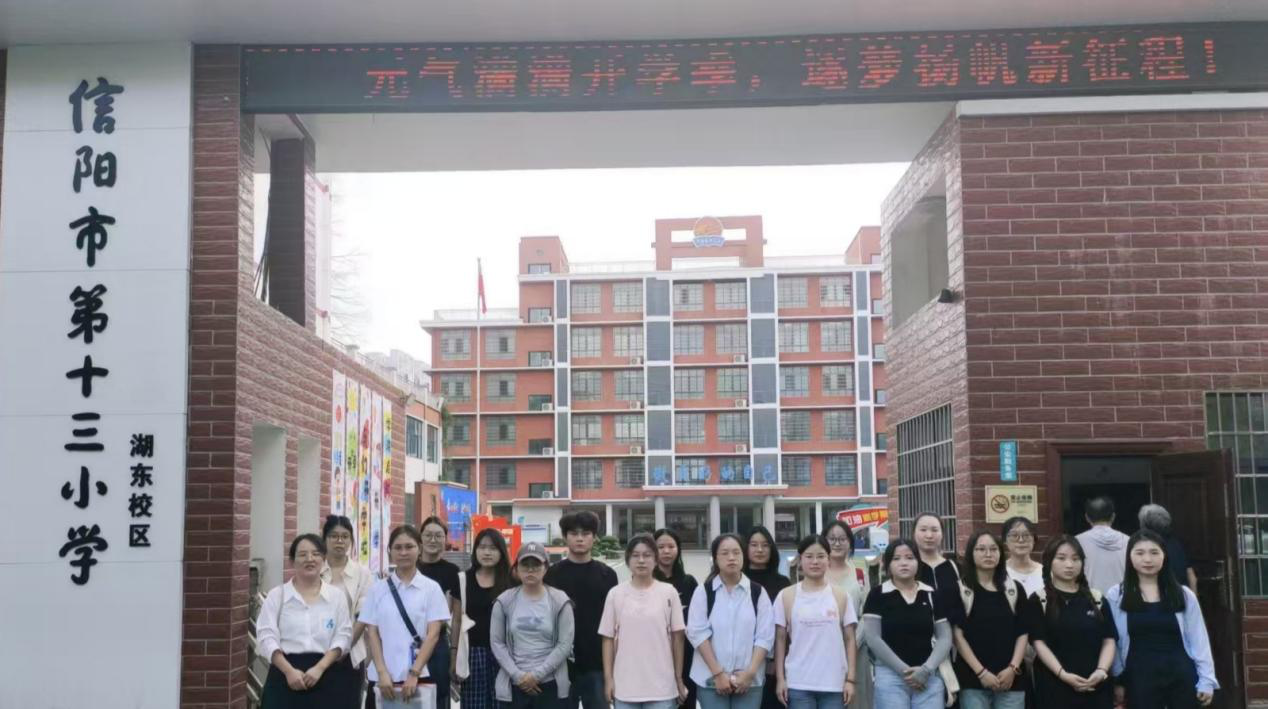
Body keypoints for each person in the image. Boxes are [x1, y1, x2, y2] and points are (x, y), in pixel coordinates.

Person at [1107, 530, 1217, 709]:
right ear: (1129, 557)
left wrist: (1207, 680)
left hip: (1180, 674)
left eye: (1154, 552)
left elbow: (1199, 639)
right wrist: (1118, 679)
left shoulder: (1184, 594)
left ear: (1164, 555)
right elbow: (1113, 641)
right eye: (1140, 553)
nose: (1147, 559)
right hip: (1139, 677)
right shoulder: (1117, 595)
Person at [256, 533, 354, 707]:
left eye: (316, 554)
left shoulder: (336, 597)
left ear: (324, 559)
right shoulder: (277, 596)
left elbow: (343, 636)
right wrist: (288, 671)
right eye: (302, 554)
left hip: (326, 674)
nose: (310, 559)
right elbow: (266, 636)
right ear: (292, 561)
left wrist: (320, 668)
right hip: (284, 676)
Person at [362, 525, 453, 708]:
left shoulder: (431, 588)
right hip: (383, 678)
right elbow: (372, 633)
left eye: (409, 546)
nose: (403, 552)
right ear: (390, 551)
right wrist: (382, 672)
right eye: (398, 547)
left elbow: (433, 634)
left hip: (420, 676)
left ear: (419, 549)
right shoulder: (377, 589)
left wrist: (414, 674)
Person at [1024, 535, 1116, 709]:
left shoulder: (1096, 599)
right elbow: (1038, 643)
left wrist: (1101, 671)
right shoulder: (1039, 600)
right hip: (1054, 685)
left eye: (1075, 559)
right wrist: (1063, 675)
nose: (1069, 564)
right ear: (1049, 561)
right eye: (1061, 558)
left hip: (1095, 685)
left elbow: (1109, 639)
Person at [599, 534, 688, 709]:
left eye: (647, 555)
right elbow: (607, 639)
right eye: (635, 555)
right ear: (628, 560)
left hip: (662, 687)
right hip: (625, 686)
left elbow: (678, 638)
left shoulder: (668, 592)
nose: (641, 560)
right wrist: (609, 679)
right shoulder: (616, 594)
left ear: (655, 560)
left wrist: (678, 678)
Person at [863, 538, 954, 709]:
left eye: (910, 558)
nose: (904, 563)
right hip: (890, 677)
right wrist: (907, 673)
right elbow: (873, 638)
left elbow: (945, 637)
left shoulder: (931, 594)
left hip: (928, 676)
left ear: (918, 562)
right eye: (896, 559)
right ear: (888, 565)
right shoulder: (878, 595)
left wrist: (926, 670)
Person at [687, 533, 775, 709]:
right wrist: (718, 674)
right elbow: (697, 633)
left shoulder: (758, 593)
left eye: (736, 552)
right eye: (725, 553)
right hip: (711, 680)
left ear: (743, 555)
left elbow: (765, 636)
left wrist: (750, 673)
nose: (731, 557)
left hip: (749, 682)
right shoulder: (704, 592)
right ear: (715, 558)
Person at [773, 534, 858, 709]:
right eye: (809, 556)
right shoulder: (786, 595)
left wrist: (850, 679)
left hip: (834, 684)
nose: (815, 562)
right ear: (800, 560)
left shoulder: (841, 595)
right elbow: (780, 639)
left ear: (828, 560)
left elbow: (850, 639)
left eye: (820, 556)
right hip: (798, 683)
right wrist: (780, 679)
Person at [544, 510, 619, 709]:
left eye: (586, 534)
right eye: (574, 533)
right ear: (565, 537)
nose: (579, 539)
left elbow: (614, 623)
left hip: (597, 663)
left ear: (594, 537)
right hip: (560, 664)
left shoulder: (607, 575)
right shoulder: (552, 574)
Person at [490, 542, 576, 709]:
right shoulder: (504, 601)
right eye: (525, 565)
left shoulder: (560, 601)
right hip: (514, 684)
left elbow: (565, 644)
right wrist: (518, 676)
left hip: (550, 683)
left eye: (536, 565)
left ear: (545, 568)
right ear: (516, 568)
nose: (530, 570)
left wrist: (537, 675)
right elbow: (497, 642)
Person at [951, 530, 1028, 709]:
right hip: (973, 680)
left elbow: (1023, 632)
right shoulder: (960, 589)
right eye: (981, 549)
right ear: (971, 553)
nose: (988, 554)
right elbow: (957, 636)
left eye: (993, 549)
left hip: (1011, 681)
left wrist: (1013, 668)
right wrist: (982, 673)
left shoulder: (1014, 589)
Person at [321, 515, 376, 707]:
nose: (340, 541)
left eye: (345, 536)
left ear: (351, 540)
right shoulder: (316, 569)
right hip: (316, 650)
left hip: (349, 654)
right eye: (334, 536)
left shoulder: (362, 573)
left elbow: (364, 615)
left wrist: (343, 647)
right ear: (324, 539)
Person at [459, 528, 517, 709]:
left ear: (501, 551)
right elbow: (455, 620)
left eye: (493, 548)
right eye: (482, 547)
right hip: (473, 654)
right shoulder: (463, 579)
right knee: (473, 705)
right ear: (475, 550)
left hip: (505, 654)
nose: (487, 552)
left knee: (503, 704)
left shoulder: (512, 581)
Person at [821, 520, 872, 709]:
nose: (837, 543)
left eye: (842, 539)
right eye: (832, 538)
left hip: (856, 649)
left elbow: (867, 612)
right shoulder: (817, 571)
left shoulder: (859, 573)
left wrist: (853, 643)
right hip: (823, 649)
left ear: (850, 543)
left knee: (856, 701)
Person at [743, 526, 791, 709]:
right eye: (754, 545)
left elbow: (785, 626)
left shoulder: (783, 583)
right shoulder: (737, 580)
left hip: (773, 664)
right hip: (741, 663)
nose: (760, 550)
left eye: (765, 545)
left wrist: (777, 662)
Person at [654, 528, 700, 709]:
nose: (666, 551)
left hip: (687, 655)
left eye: (671, 546)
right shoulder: (645, 582)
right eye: (660, 547)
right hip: (656, 655)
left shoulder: (689, 582)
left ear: (678, 549)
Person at [418, 516, 462, 705]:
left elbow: (457, 618)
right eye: (428, 535)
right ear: (420, 538)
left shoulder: (453, 572)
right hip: (409, 642)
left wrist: (454, 654)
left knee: (439, 697)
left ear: (445, 539)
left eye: (438, 536)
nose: (433, 540)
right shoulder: (411, 567)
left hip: (439, 644)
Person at [1137, 505, 1198, 595]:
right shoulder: (1178, 543)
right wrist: (1193, 600)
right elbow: (1192, 577)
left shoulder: (1146, 549)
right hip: (1182, 597)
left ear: (1145, 525)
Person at [1075, 497, 1129, 594]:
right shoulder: (1128, 541)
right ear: (1113, 517)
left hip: (1090, 598)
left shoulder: (1077, 541)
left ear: (1087, 517)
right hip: (1122, 598)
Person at [912, 513, 960, 606]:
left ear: (942, 534)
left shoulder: (955, 567)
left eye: (935, 530)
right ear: (914, 533)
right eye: (923, 530)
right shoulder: (907, 568)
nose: (929, 535)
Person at [1001, 517, 1043, 597]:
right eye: (1014, 535)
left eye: (1026, 535)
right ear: (1005, 541)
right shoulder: (999, 571)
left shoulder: (1045, 572)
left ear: (1034, 540)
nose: (1021, 540)